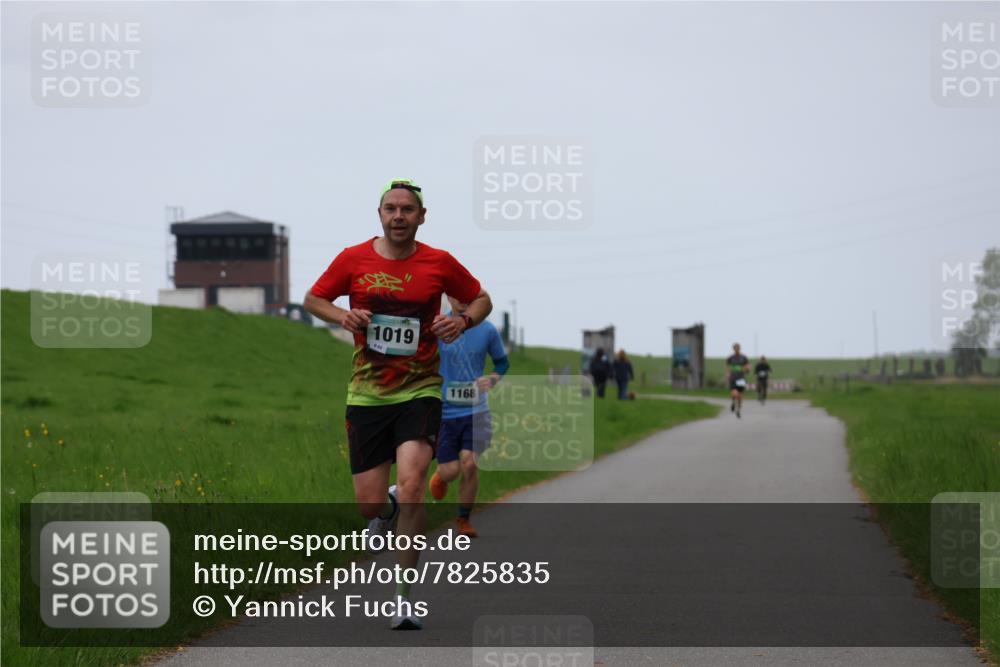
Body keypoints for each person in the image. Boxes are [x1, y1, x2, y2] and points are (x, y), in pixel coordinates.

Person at [304, 179, 492, 630]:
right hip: (367, 393)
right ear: (380, 214)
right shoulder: (354, 259)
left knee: (412, 489)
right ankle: (383, 508)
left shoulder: (439, 262)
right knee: (370, 506)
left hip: (421, 390)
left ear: (421, 216)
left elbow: (481, 299)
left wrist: (462, 321)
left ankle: (403, 600)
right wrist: (343, 315)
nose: (399, 216)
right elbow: (314, 299)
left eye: (408, 209)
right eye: (391, 209)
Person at [429, 295, 510, 538]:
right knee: (451, 470)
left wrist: (492, 378)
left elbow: (502, 363)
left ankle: (463, 519)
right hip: (445, 412)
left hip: (476, 410)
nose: (463, 301)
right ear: (449, 299)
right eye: (457, 296)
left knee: (470, 463)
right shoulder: (439, 326)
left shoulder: (487, 330)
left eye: (469, 296)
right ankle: (441, 476)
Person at [725, 342, 751, 418]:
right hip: (733, 377)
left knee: (740, 395)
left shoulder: (744, 357)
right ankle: (733, 402)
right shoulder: (730, 358)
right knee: (734, 393)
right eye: (735, 348)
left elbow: (748, 365)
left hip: (741, 378)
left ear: (740, 348)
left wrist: (747, 369)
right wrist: (727, 374)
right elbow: (727, 367)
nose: (737, 349)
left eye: (738, 348)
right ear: (733, 349)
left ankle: (738, 410)